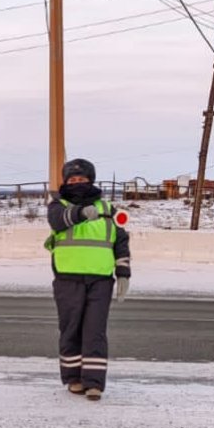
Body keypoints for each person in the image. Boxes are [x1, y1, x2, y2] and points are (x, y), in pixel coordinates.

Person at [44, 158, 130, 401]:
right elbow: (59, 221)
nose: (77, 183)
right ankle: (73, 378)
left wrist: (123, 272)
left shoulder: (107, 209)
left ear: (91, 180)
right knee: (71, 329)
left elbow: (120, 241)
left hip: (101, 279)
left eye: (82, 180)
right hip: (67, 278)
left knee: (95, 331)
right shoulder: (57, 204)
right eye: (72, 180)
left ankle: (93, 383)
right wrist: (81, 213)